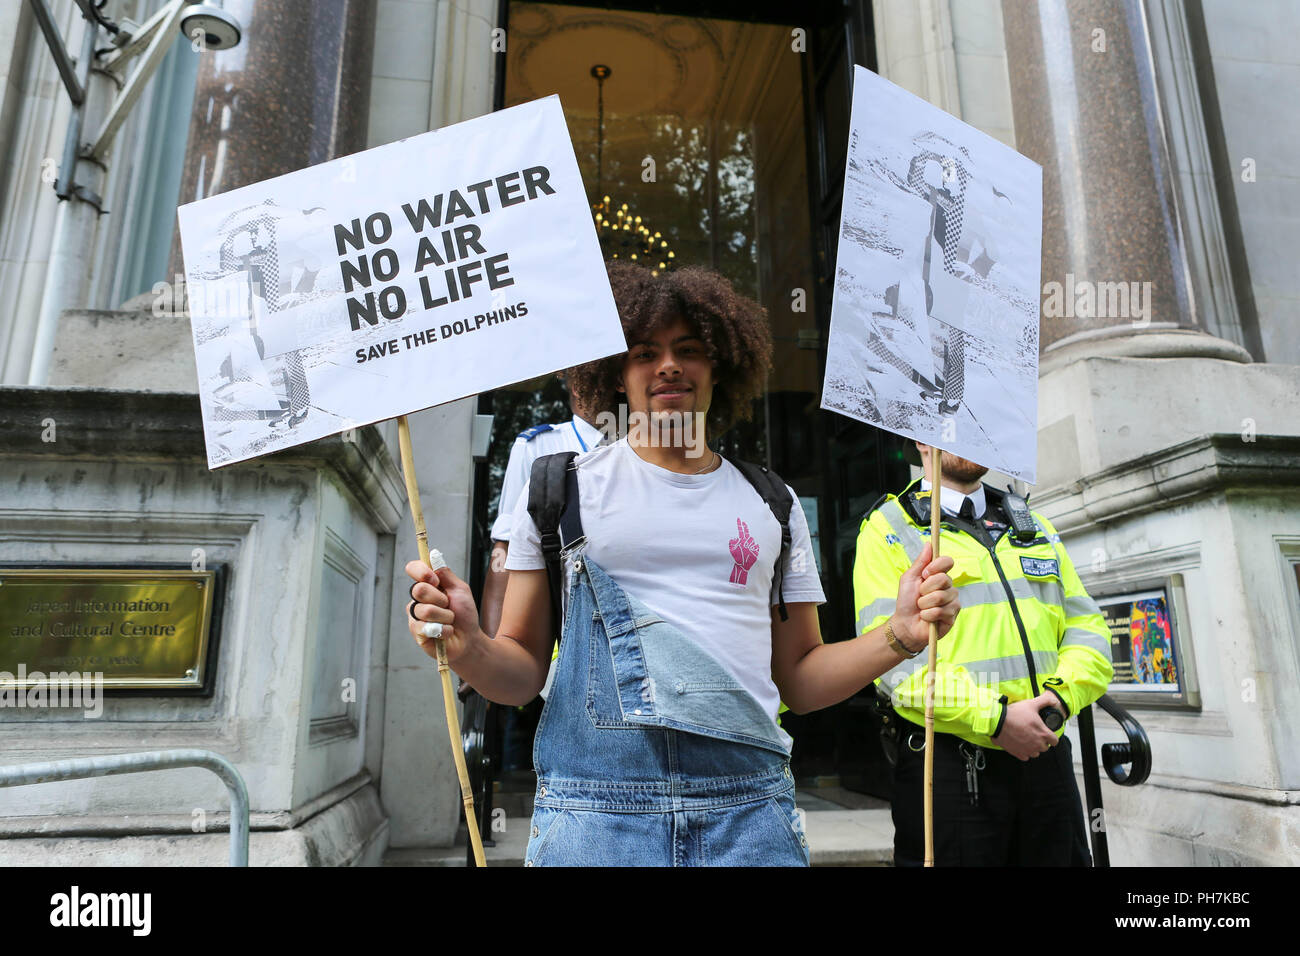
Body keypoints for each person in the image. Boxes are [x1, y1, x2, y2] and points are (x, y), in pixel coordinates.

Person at [407, 262, 960, 867]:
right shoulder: (558, 491)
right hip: (595, 821)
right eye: (645, 352)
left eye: (688, 349)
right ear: (618, 374)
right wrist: (467, 646)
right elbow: (519, 675)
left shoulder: (773, 504)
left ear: (719, 365)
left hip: (749, 819)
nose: (668, 364)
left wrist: (900, 636)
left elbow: (799, 679)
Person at [853, 441, 1113, 866]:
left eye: (980, 422)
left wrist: (1060, 698)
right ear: (922, 438)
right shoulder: (887, 529)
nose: (970, 435)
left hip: (1046, 754)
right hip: (951, 769)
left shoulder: (1034, 525)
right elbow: (893, 666)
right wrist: (996, 719)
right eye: (957, 424)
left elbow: (1090, 631)